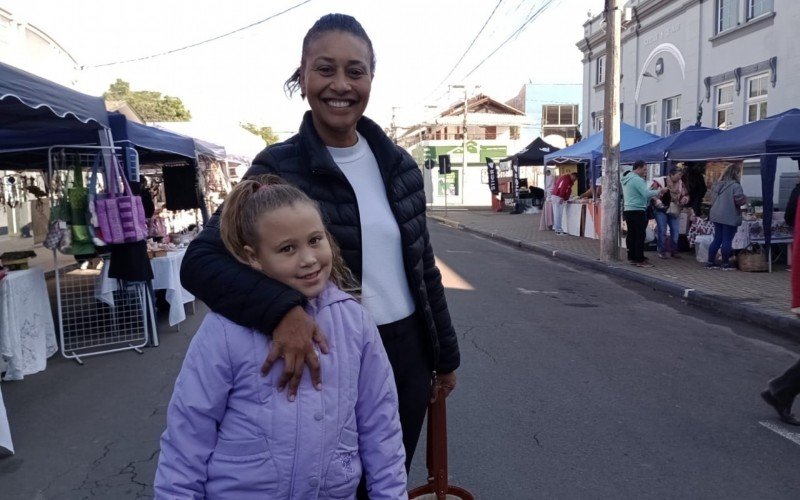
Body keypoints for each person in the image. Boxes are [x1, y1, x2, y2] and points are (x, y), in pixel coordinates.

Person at [180, 13, 459, 477]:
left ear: (371, 78)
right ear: (303, 76)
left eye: (356, 71)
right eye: (325, 69)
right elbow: (201, 260)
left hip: (406, 355)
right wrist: (282, 312)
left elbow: (422, 269)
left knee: (389, 476)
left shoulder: (401, 167)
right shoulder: (277, 167)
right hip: (328, 353)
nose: (341, 85)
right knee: (333, 484)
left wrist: (445, 358)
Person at [155, 175, 407, 498]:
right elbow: (187, 436)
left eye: (315, 240)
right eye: (287, 248)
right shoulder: (225, 331)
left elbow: (381, 428)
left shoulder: (355, 323)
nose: (308, 259)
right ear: (254, 258)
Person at [622, 161, 666, 267]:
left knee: (632, 234)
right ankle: (639, 259)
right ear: (638, 168)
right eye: (644, 169)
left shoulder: (627, 179)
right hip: (637, 209)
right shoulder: (637, 179)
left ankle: (632, 256)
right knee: (640, 235)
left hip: (628, 209)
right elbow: (645, 194)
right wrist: (659, 191)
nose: (645, 172)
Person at [705, 163, 747, 270]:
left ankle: (710, 261)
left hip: (716, 214)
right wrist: (745, 198)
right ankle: (725, 263)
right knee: (727, 239)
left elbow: (712, 199)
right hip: (729, 215)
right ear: (736, 174)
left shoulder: (717, 184)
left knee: (717, 238)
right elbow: (739, 201)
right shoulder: (735, 186)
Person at [652, 167, 689, 259]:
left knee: (675, 230)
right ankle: (662, 251)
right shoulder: (660, 182)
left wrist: (685, 199)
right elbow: (652, 194)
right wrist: (658, 200)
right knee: (662, 230)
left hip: (675, 209)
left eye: (681, 175)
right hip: (661, 210)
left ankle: (674, 250)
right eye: (679, 175)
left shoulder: (681, 184)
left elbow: (686, 195)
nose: (680, 177)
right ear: (671, 174)